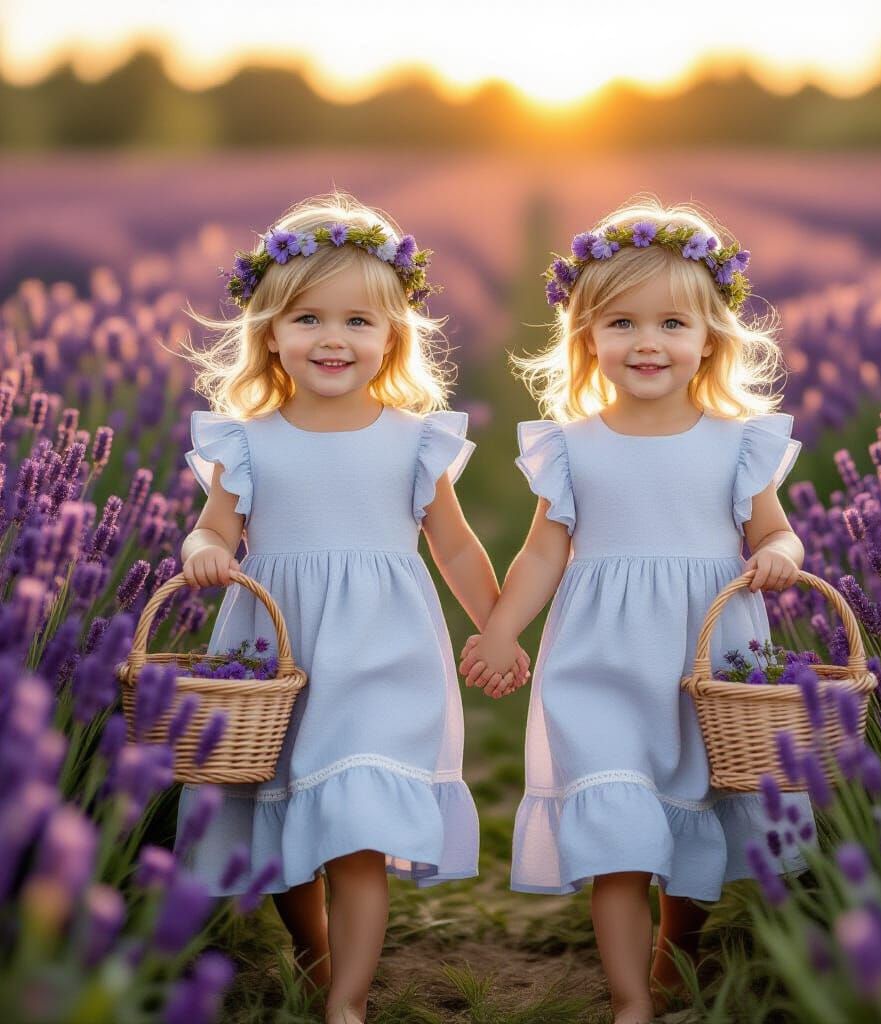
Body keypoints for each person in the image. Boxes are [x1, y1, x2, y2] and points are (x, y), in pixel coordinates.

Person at [460, 196, 816, 1024]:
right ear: (586, 336)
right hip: (599, 658)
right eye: (620, 323)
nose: (646, 342)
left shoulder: (738, 443)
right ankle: (629, 999)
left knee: (696, 817)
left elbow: (780, 532)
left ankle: (671, 956)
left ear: (710, 339)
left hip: (708, 658)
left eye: (670, 325)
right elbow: (545, 550)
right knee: (617, 825)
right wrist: (503, 627)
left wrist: (777, 557)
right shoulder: (573, 446)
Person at [175, 190, 528, 1024]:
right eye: (308, 319)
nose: (333, 339)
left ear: (394, 336)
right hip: (277, 652)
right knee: (290, 822)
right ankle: (313, 951)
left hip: (384, 653)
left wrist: (497, 627)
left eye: (359, 322)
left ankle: (348, 1000)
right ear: (269, 332)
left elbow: (454, 546)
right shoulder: (248, 440)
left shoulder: (414, 439)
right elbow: (207, 530)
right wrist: (206, 555)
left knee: (359, 825)